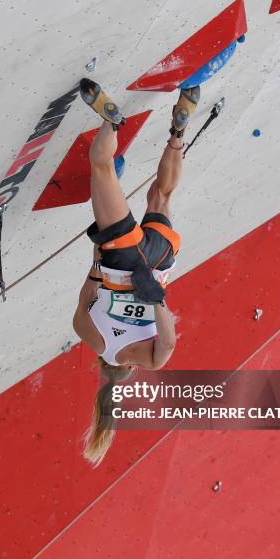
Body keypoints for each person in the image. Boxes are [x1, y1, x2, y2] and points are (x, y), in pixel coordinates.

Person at [73, 78, 200, 465]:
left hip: (160, 260)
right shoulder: (92, 339)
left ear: (128, 368)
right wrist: (99, 251)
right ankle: (111, 121)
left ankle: (178, 130)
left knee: (161, 196)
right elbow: (90, 288)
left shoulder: (148, 358)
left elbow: (168, 344)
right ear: (104, 366)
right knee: (102, 169)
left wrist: (157, 300)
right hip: (121, 256)